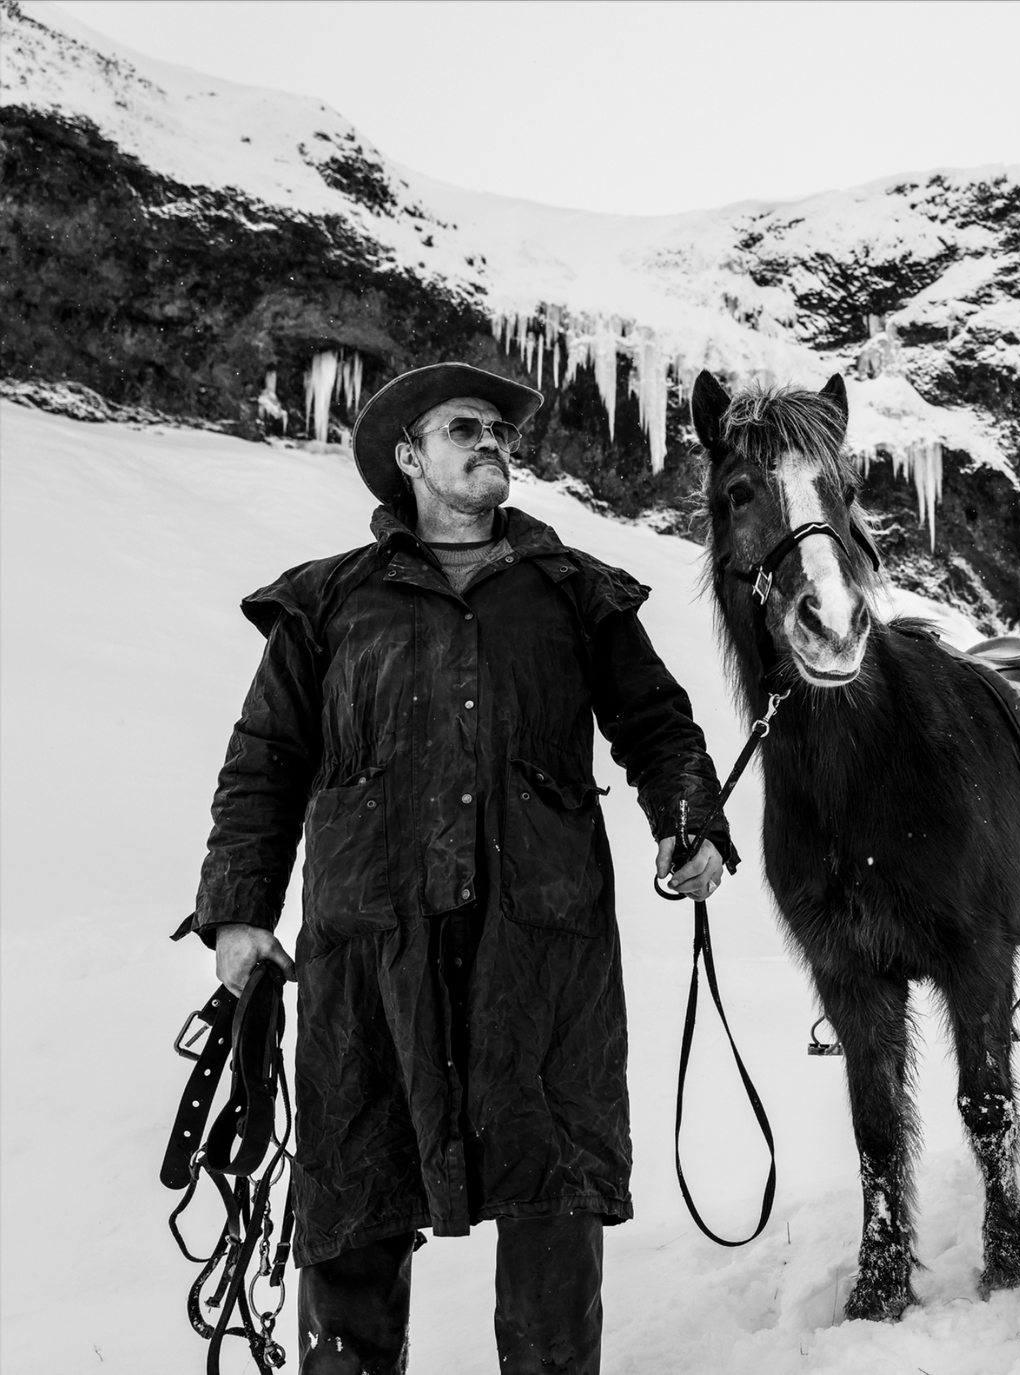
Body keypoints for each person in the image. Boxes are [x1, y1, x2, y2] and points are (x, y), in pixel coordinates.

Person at [177, 361, 732, 1373]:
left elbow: (657, 725)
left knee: (553, 1205)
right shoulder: (328, 601)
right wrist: (238, 913)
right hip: (369, 948)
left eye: (501, 431)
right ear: (407, 456)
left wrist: (687, 818)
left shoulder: (576, 594)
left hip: (542, 951)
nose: (493, 442)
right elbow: (263, 762)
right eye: (466, 426)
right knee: (352, 1202)